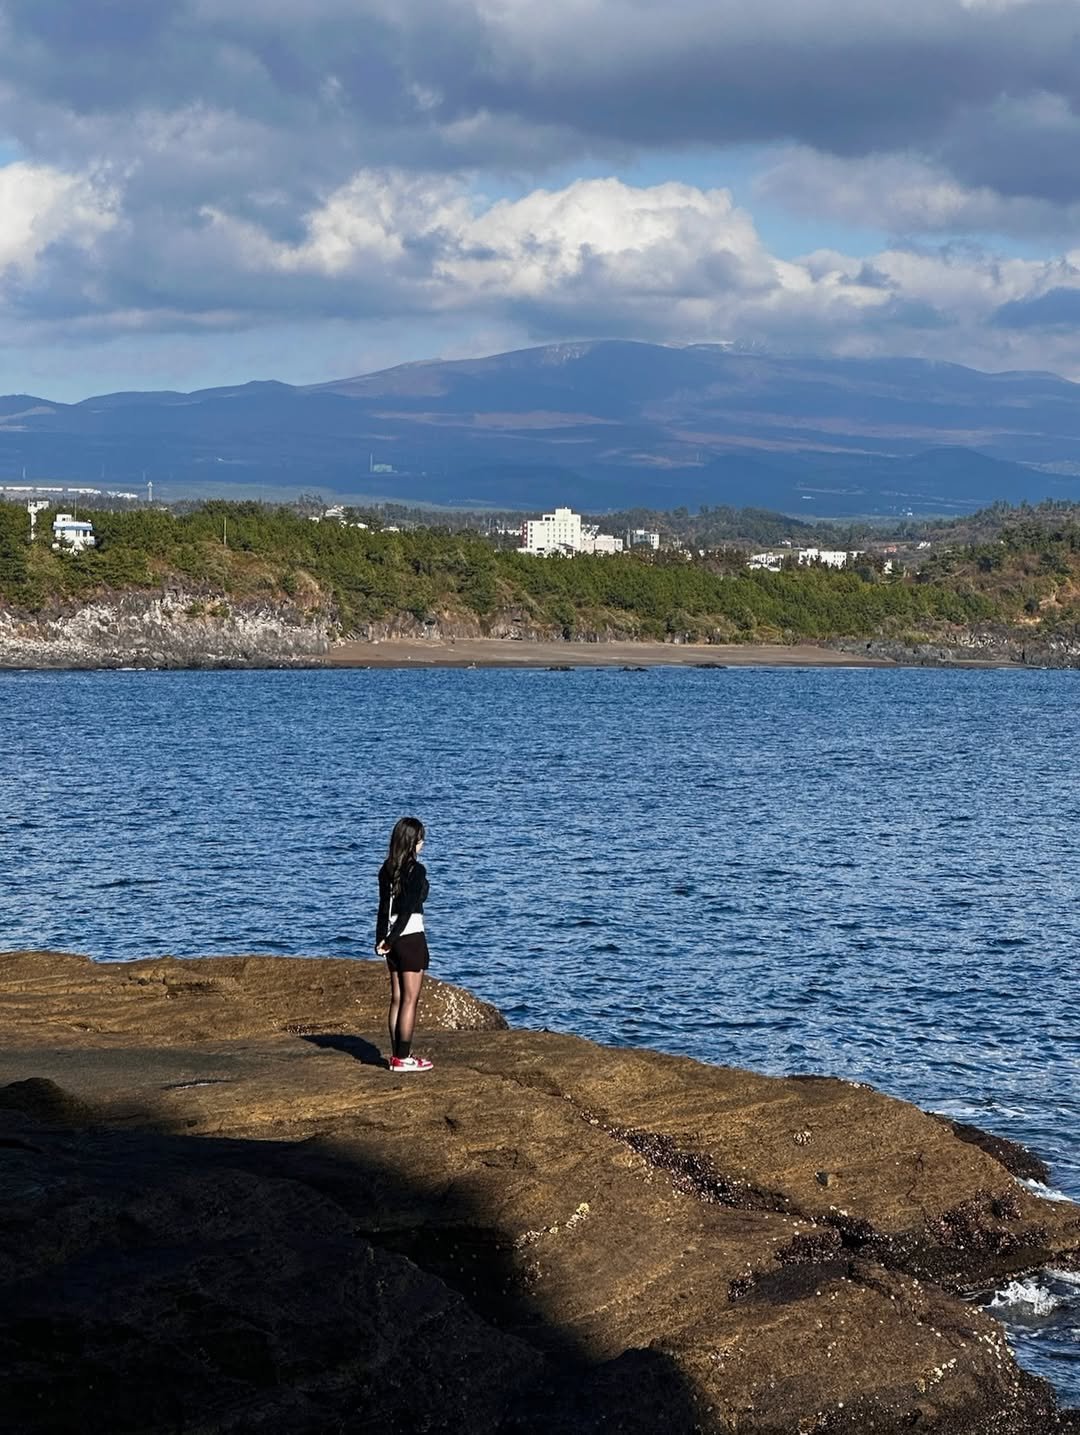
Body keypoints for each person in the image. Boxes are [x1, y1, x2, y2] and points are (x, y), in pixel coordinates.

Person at [376, 816, 434, 1072]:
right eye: (421, 839)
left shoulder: (386, 869)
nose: (422, 843)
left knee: (397, 998)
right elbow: (410, 908)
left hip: (392, 937)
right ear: (412, 842)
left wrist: (382, 939)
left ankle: (397, 1055)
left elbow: (382, 908)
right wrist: (392, 938)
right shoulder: (417, 870)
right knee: (410, 999)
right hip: (409, 936)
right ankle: (403, 1057)